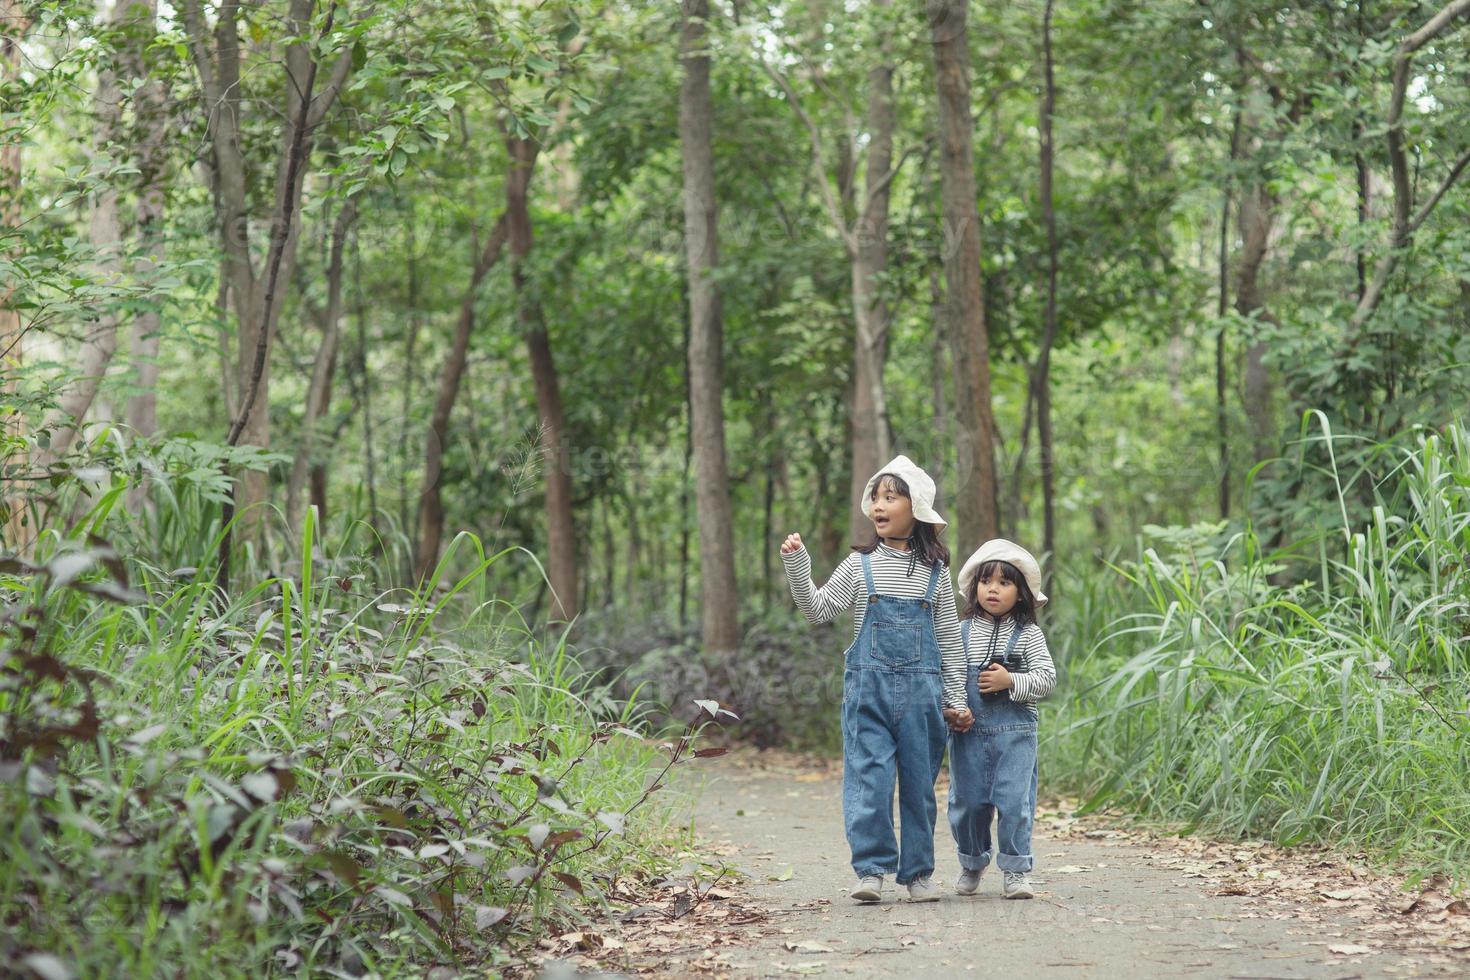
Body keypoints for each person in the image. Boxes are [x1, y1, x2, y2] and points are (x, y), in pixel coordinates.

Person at [779, 455, 966, 904]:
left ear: (915, 509)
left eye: (891, 496)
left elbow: (950, 642)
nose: (879, 506)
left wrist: (957, 698)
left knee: (920, 788)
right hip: (869, 696)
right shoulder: (859, 564)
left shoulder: (936, 574)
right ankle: (871, 870)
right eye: (876, 498)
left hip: (925, 699)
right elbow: (817, 609)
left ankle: (918, 874)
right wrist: (798, 565)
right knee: (870, 781)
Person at [944, 538, 1057, 900]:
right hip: (969, 733)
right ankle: (972, 861)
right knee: (968, 802)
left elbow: (1047, 678)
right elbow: (949, 674)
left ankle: (1016, 869)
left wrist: (1012, 681)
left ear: (1021, 594)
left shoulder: (1029, 635)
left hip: (1016, 735)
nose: (993, 589)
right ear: (974, 588)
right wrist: (956, 707)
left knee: (1014, 802)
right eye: (986, 581)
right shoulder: (959, 634)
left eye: (1005, 583)